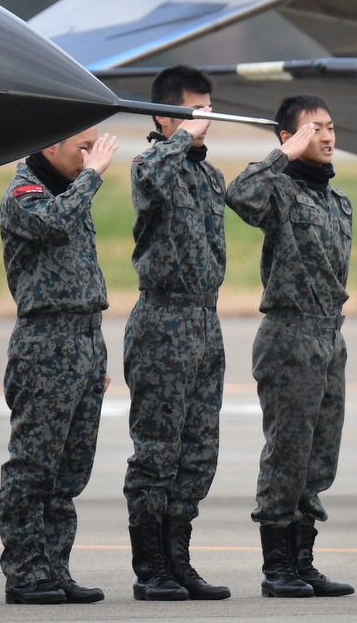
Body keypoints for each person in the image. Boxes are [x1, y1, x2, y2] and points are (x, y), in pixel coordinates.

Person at [225, 94, 355, 600]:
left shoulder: (337, 200)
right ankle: (277, 565)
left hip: (329, 336)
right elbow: (239, 194)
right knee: (287, 453)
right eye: (313, 129)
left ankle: (303, 560)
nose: (327, 136)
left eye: (330, 127)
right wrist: (282, 155)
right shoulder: (278, 189)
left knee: (320, 457)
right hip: (289, 335)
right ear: (289, 136)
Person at [0, 127, 119, 605]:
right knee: (34, 465)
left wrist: (94, 354)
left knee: (69, 471)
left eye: (93, 148)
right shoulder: (25, 192)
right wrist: (92, 177)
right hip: (45, 343)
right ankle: (26, 574)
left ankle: (55, 569)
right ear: (51, 145)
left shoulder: (69, 192)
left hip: (83, 340)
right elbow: (51, 225)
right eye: (82, 147)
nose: (90, 156)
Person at [122, 66, 230, 601]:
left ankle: (178, 559)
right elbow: (150, 181)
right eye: (193, 111)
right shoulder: (150, 164)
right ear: (164, 117)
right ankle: (151, 568)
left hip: (205, 321)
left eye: (208, 110)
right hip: (162, 322)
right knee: (157, 450)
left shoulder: (209, 176)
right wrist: (184, 135)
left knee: (198, 450)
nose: (205, 121)